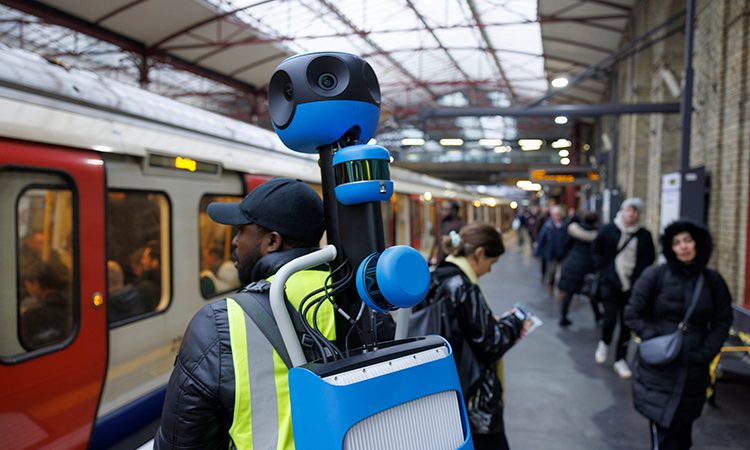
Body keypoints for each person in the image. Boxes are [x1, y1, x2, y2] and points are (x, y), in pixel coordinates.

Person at [155, 178, 335, 450]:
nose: (235, 242)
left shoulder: (220, 323)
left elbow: (180, 444)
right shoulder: (354, 298)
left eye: (242, 231)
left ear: (272, 241)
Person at [624, 220, 732, 450]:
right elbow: (633, 313)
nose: (683, 247)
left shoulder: (713, 281)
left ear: (698, 244)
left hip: (694, 370)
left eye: (688, 241)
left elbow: (723, 320)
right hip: (659, 369)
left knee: (683, 433)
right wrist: (655, 338)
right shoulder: (655, 275)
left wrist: (705, 352)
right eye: (677, 242)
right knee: (665, 434)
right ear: (670, 248)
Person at [422, 222, 529, 450]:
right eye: (492, 262)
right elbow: (491, 344)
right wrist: (515, 321)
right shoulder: (463, 286)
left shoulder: (436, 276)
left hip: (444, 387)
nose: (490, 269)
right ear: (479, 254)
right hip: (474, 396)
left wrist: (489, 322)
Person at [592, 198, 655, 378]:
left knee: (627, 324)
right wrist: (603, 272)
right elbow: (596, 251)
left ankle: (620, 359)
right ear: (622, 211)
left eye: (635, 211)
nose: (632, 214)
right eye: (629, 210)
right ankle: (604, 343)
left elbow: (649, 259)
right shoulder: (608, 230)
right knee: (610, 319)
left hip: (633, 287)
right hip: (610, 284)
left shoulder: (644, 235)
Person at [557, 211, 600, 326]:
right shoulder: (597, 234)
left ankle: (563, 316)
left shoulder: (574, 231)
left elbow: (566, 245)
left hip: (572, 264)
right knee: (591, 293)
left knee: (569, 293)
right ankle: (598, 315)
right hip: (588, 267)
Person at [534, 205, 566, 295]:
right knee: (552, 271)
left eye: (559, 214)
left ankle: (561, 288)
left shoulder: (564, 225)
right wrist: (538, 252)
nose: (558, 217)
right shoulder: (548, 226)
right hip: (551, 253)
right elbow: (541, 239)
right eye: (556, 215)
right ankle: (550, 286)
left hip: (562, 253)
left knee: (562, 273)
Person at [430, 200, 464, 266]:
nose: (444, 211)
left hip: (450, 259)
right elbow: (437, 242)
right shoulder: (444, 222)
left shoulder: (459, 225)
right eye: (443, 209)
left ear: (454, 211)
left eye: (447, 209)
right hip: (440, 258)